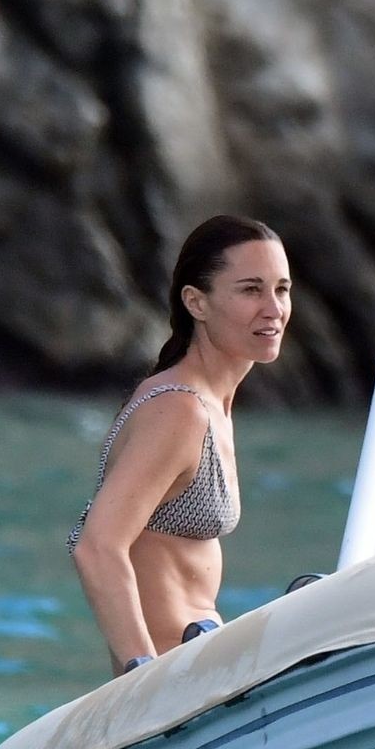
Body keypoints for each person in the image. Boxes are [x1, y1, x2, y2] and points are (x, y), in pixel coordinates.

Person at [68, 215, 291, 678]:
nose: (273, 308)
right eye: (251, 290)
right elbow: (97, 545)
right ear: (196, 302)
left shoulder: (210, 405)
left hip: (197, 669)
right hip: (170, 682)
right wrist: (142, 674)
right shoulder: (178, 410)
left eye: (282, 289)